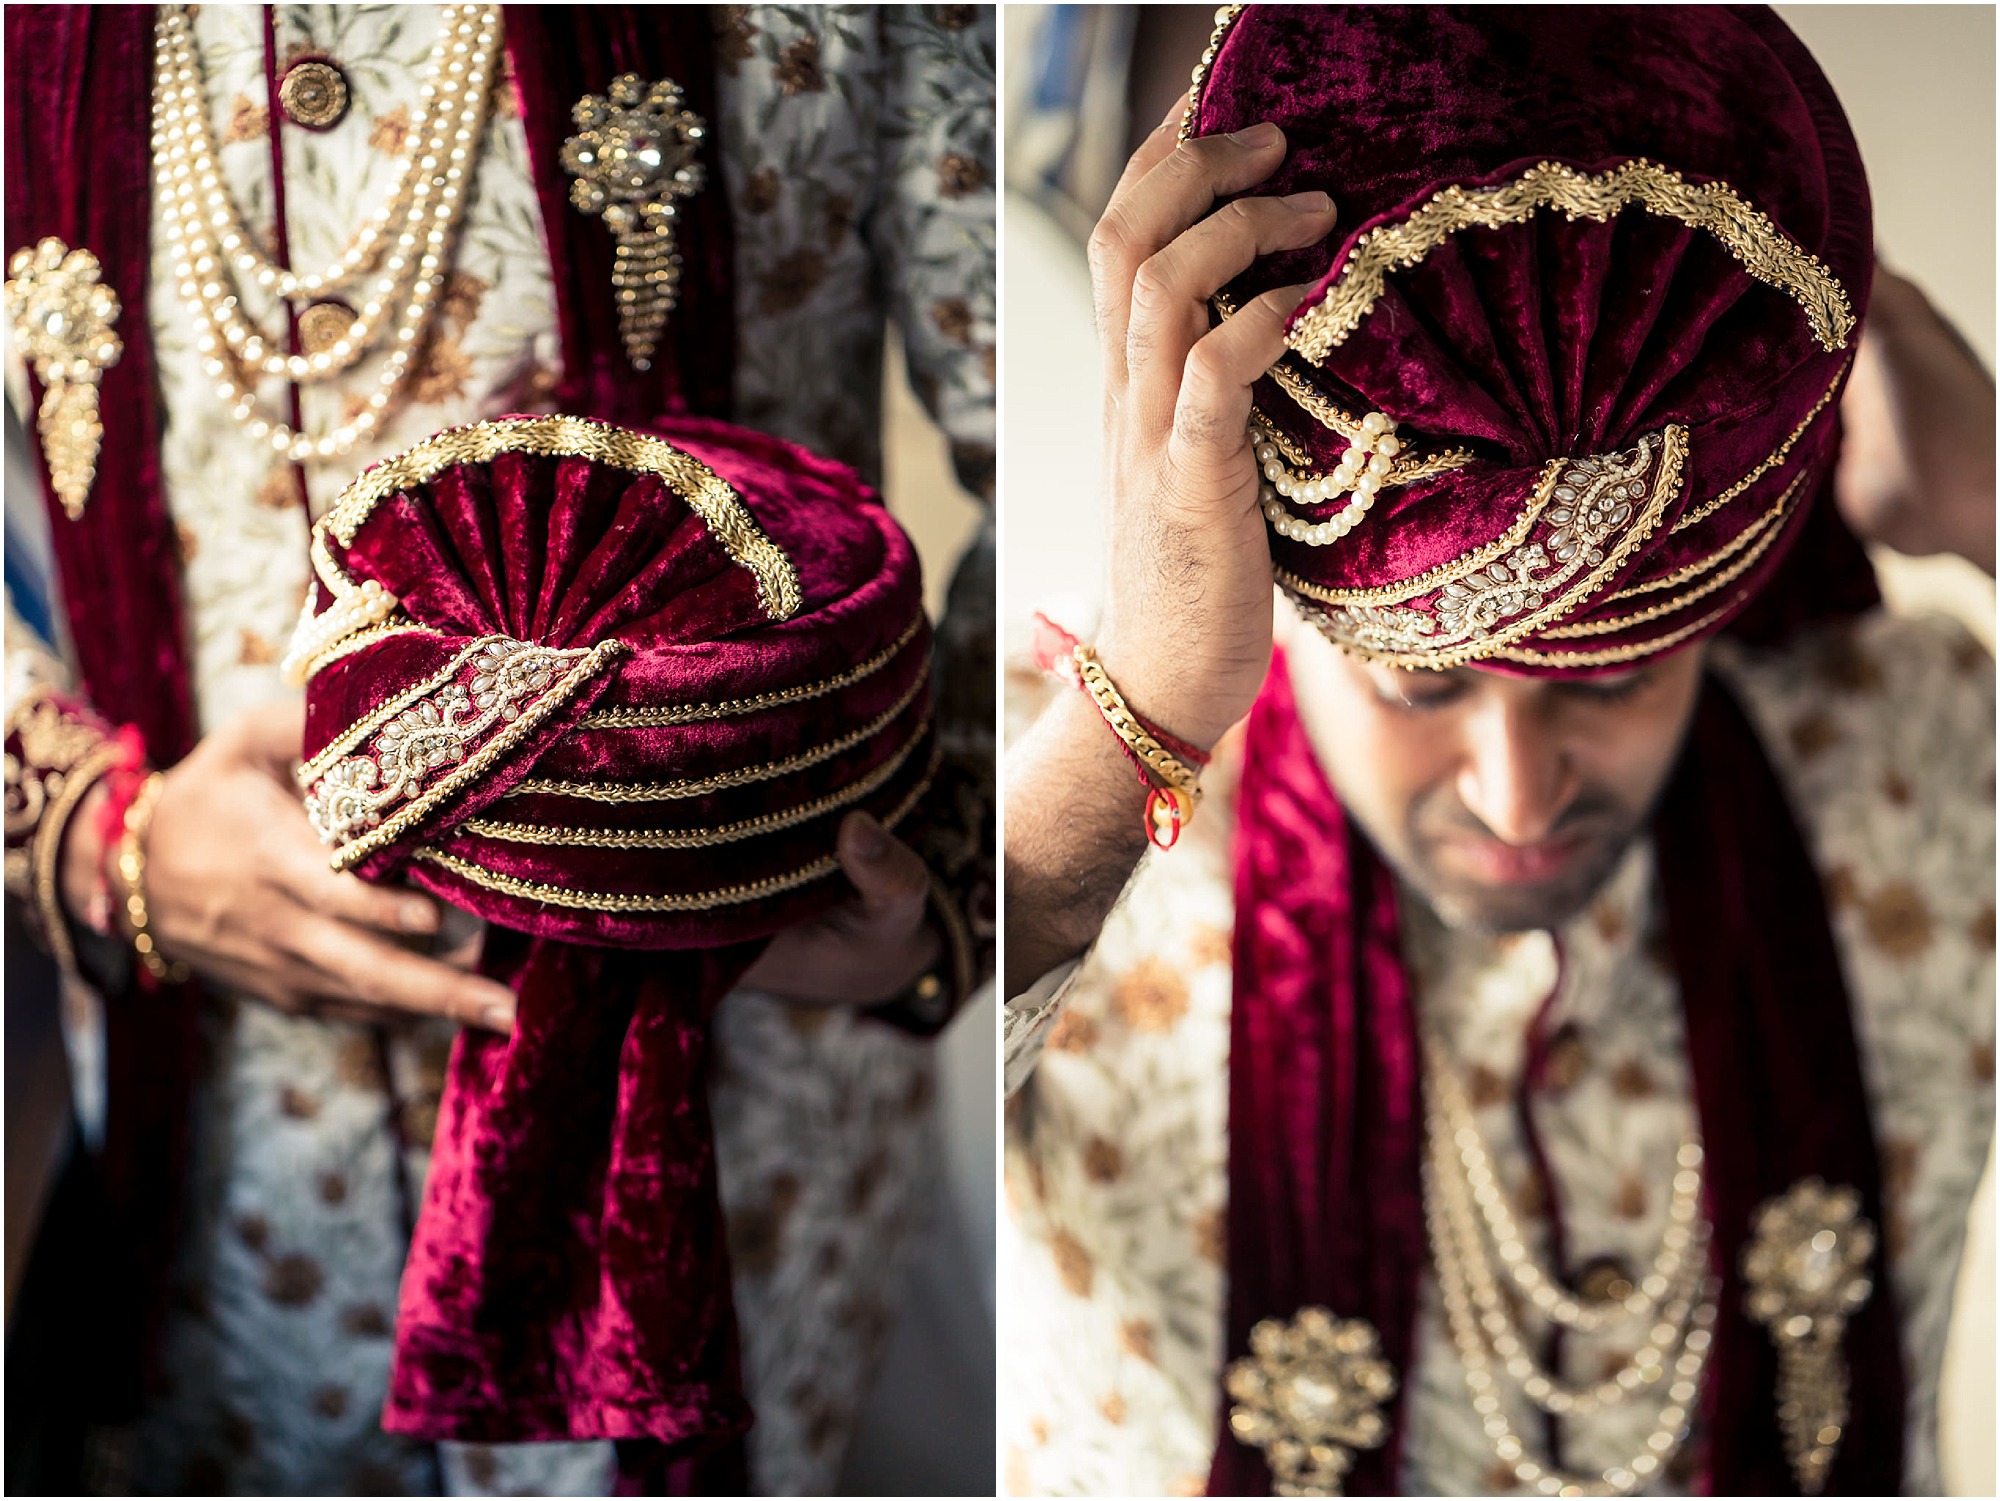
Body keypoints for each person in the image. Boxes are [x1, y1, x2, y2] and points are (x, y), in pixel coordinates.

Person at [1002, 7, 1992, 1496]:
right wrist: (1137, 707)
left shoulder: (1898, 743)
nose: (1517, 793)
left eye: (1619, 682)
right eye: (1424, 689)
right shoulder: (1075, 789)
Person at [4, 5, 993, 1495]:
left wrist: (938, 870)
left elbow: (1070, 457)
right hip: (222, 1158)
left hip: (748, 1121)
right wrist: (84, 821)